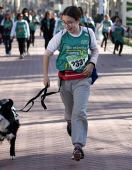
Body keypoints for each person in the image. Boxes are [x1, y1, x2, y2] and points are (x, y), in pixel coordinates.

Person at [43, 6, 99, 161]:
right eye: (64, 22)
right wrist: (45, 77)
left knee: (79, 111)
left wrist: (92, 63)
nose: (67, 26)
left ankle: (78, 146)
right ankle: (69, 123)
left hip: (82, 79)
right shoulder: (61, 36)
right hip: (65, 81)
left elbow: (95, 50)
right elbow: (47, 54)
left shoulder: (88, 33)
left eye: (70, 22)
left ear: (79, 20)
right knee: (70, 112)